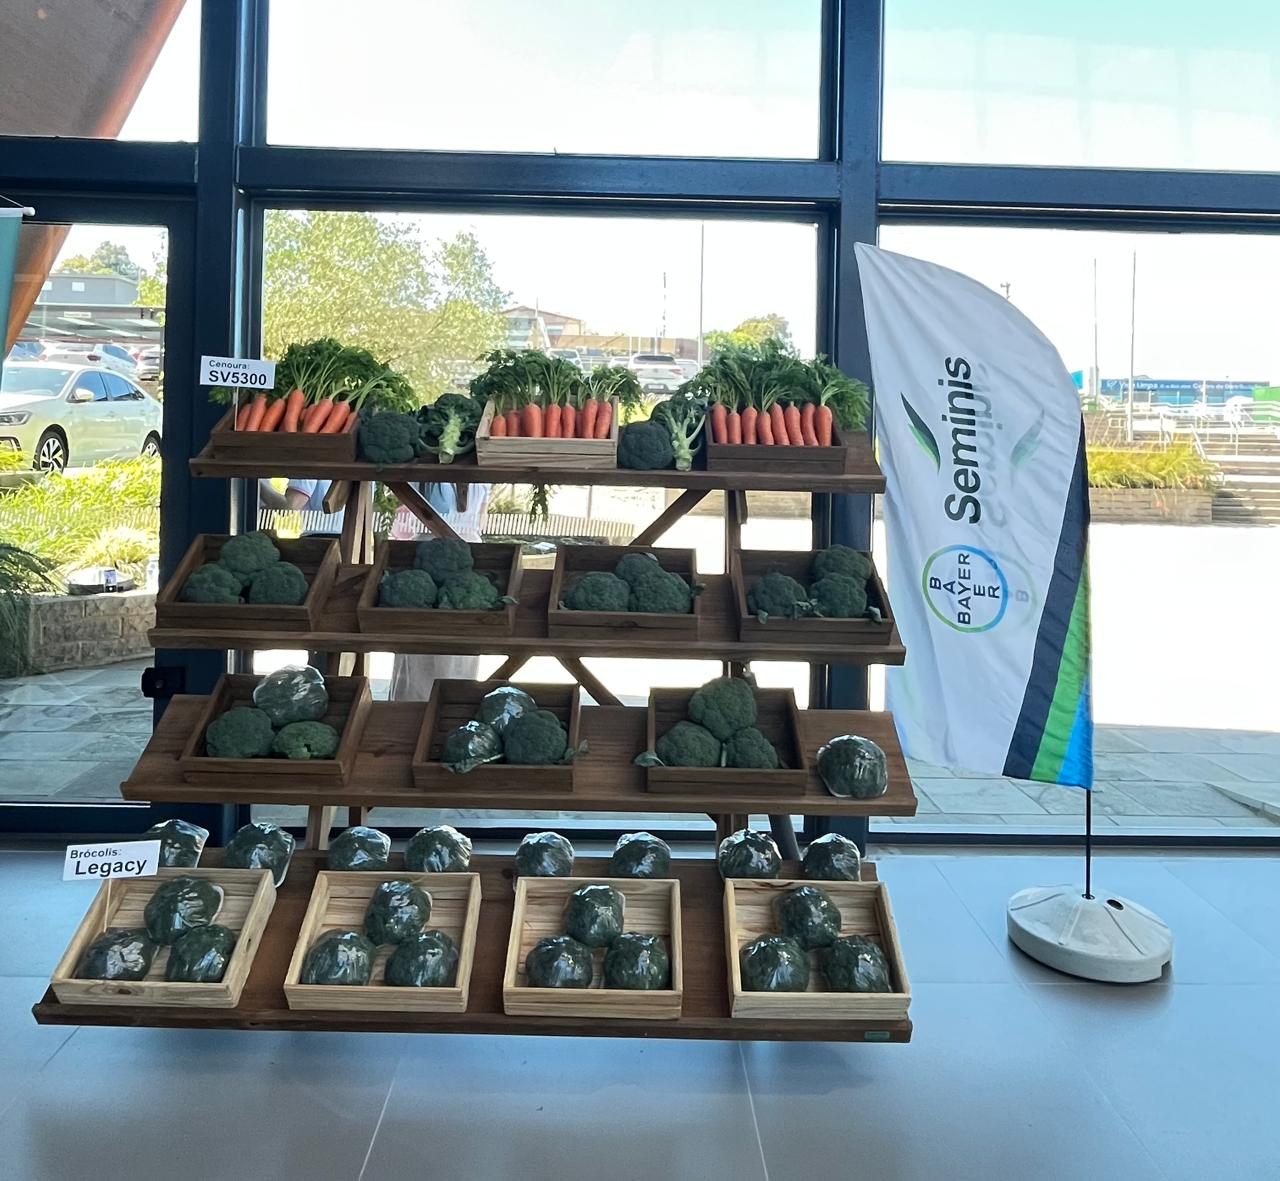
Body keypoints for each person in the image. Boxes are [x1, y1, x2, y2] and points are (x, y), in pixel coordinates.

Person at [388, 481, 493, 701]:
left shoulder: (422, 476)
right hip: (468, 551)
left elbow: (406, 510)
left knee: (419, 645)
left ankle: (415, 705)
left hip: (427, 552)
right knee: (458, 648)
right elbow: (481, 519)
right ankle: (454, 702)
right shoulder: (480, 480)